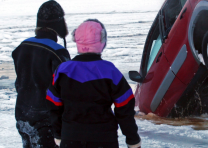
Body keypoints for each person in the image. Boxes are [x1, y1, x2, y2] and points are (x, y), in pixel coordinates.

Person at [46, 19, 141, 148]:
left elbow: (54, 106)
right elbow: (125, 108)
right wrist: (132, 140)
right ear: (102, 41)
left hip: (71, 138)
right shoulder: (110, 71)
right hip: (104, 138)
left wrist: (58, 134)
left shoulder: (62, 71)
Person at [12, 0, 70, 147]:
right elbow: (65, 89)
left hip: (22, 115)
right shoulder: (57, 52)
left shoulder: (21, 47)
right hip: (46, 120)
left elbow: (19, 83)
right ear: (59, 24)